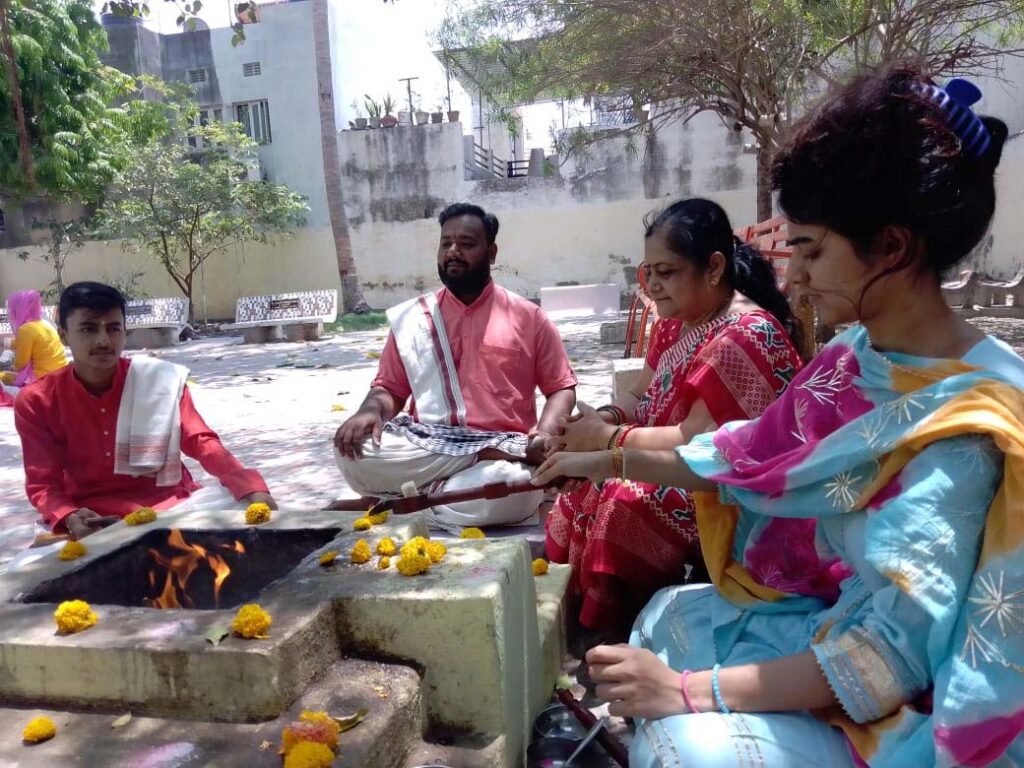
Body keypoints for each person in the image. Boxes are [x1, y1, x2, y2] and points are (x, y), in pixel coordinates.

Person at [533, 68, 1024, 766]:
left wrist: (687, 690)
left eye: (812, 250)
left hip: (915, 698)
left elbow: (890, 661)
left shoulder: (970, 425)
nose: (791, 276)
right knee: (672, 613)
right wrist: (597, 455)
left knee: (687, 749)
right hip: (839, 617)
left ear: (892, 247)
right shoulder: (860, 353)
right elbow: (741, 453)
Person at [545, 198, 804, 632]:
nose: (653, 287)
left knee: (624, 502)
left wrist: (606, 439)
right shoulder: (677, 320)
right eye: (649, 273)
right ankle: (567, 608)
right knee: (580, 483)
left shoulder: (746, 335)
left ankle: (619, 628)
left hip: (728, 487)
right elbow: (642, 390)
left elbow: (694, 441)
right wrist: (599, 419)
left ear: (714, 268)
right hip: (677, 462)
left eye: (666, 273)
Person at [334, 202, 577, 528]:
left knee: (512, 489)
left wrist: (544, 437)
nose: (453, 252)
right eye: (446, 243)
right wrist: (370, 412)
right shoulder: (413, 319)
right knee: (355, 451)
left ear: (491, 252)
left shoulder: (528, 317)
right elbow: (390, 389)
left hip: (499, 454)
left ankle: (407, 504)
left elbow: (560, 387)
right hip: (429, 445)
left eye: (466, 244)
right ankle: (460, 482)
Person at [14, 282, 276, 541]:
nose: (103, 340)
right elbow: (44, 484)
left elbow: (200, 440)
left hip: (172, 506)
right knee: (30, 572)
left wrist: (249, 486)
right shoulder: (37, 400)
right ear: (63, 336)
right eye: (88, 329)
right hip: (94, 519)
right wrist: (68, 515)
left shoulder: (160, 381)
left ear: (125, 332)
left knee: (245, 513)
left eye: (113, 328)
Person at [1, 289, 67, 399]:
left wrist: (11, 368)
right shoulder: (43, 324)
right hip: (60, 374)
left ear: (19, 309)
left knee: (3, 376)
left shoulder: (26, 329)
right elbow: (20, 343)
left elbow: (21, 364)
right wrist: (3, 342)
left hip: (43, 379)